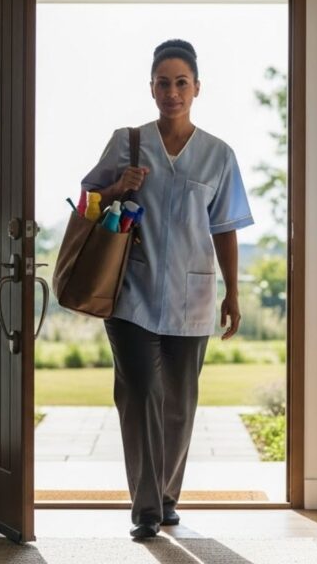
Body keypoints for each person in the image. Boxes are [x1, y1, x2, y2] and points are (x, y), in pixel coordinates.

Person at [79, 39, 254, 539]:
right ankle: (147, 508)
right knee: (138, 396)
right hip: (130, 293)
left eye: (181, 82)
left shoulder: (219, 155)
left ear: (197, 88)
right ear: (150, 87)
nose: (172, 91)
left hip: (193, 296)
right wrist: (117, 187)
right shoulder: (127, 141)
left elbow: (225, 228)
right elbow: (87, 201)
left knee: (179, 402)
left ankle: (167, 496)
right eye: (163, 82)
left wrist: (233, 294)